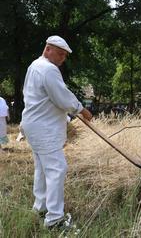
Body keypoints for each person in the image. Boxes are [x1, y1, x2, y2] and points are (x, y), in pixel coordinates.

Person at [21, 35, 92, 228]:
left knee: (43, 169)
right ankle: (54, 220)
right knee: (56, 169)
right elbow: (62, 97)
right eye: (60, 54)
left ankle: (41, 208)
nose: (62, 59)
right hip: (44, 128)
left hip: (34, 125)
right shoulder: (48, 69)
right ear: (48, 49)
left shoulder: (34, 65)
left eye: (64, 56)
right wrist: (82, 109)